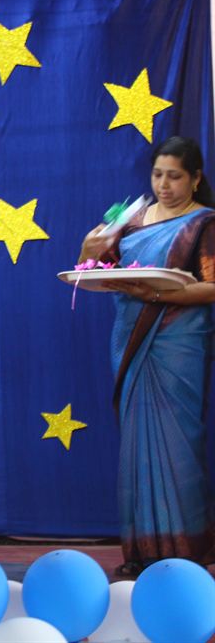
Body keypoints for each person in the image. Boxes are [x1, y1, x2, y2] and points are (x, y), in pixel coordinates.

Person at [79, 136, 215, 576]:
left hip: (178, 344)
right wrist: (88, 250)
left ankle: (187, 551)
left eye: (175, 177)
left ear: (195, 178)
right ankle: (141, 552)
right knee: (138, 445)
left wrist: (156, 293)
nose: (164, 185)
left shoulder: (203, 223)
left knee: (177, 444)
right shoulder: (131, 219)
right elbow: (95, 271)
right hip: (131, 339)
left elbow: (212, 286)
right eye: (158, 175)